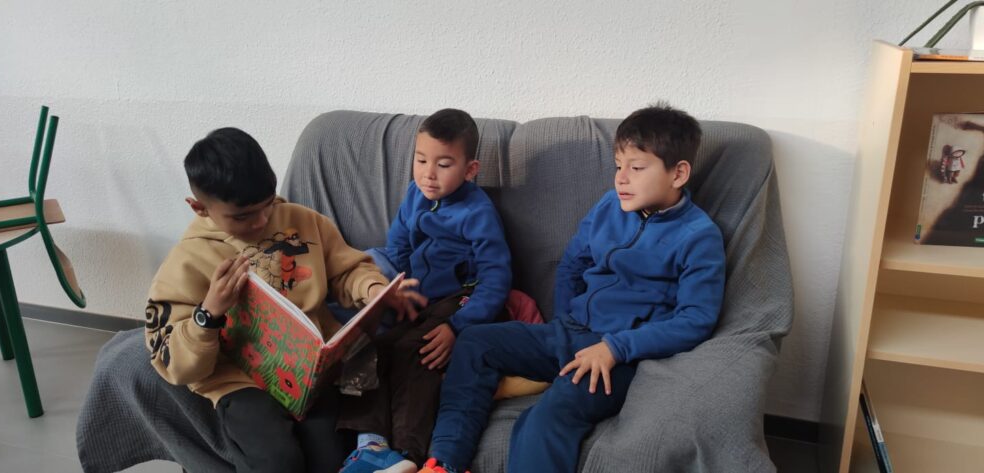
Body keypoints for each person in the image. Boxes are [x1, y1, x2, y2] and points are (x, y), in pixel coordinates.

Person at [419, 104, 727, 473]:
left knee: (543, 418)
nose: (621, 179)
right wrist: (566, 318)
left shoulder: (699, 236)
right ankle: (445, 463)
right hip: (569, 332)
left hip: (619, 355)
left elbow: (696, 319)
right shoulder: (610, 205)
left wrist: (616, 347)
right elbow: (573, 264)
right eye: (618, 166)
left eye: (636, 168)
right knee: (475, 342)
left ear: (678, 173)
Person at [143, 127, 424, 473]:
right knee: (278, 460)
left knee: (328, 459)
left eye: (267, 205)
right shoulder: (185, 262)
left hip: (309, 372)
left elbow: (347, 269)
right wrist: (208, 314)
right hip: (239, 381)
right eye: (243, 216)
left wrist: (373, 290)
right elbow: (174, 363)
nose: (262, 221)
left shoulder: (303, 221)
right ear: (199, 208)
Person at [337, 108, 513, 473]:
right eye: (421, 160)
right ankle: (371, 445)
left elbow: (496, 276)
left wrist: (458, 325)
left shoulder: (477, 212)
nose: (428, 174)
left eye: (443, 164)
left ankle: (408, 453)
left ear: (470, 170)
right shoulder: (414, 195)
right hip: (419, 297)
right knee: (366, 347)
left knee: (417, 351)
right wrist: (401, 290)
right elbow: (398, 245)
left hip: (461, 299)